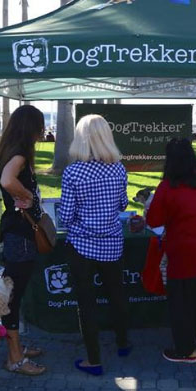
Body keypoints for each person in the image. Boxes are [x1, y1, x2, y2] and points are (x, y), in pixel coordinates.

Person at [59, 114, 131, 376]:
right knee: (117, 295)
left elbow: (65, 217)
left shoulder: (73, 172)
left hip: (81, 246)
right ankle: (123, 344)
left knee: (86, 303)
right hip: (112, 242)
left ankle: (94, 359)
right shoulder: (119, 168)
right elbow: (123, 204)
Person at [146, 138, 196, 363]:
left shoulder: (168, 187)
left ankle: (186, 350)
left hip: (184, 253)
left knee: (182, 303)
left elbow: (154, 220)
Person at [0, 105, 46, 376]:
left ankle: (17, 349)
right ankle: (14, 358)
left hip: (16, 231)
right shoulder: (20, 155)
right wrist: (27, 196)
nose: (42, 131)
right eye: (40, 125)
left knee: (15, 292)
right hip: (21, 234)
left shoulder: (9, 151)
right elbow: (7, 180)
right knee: (13, 296)